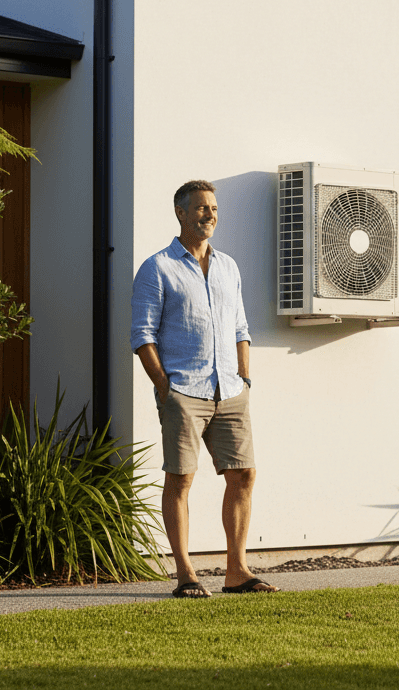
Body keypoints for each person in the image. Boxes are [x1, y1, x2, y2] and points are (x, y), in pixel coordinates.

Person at [130, 180, 278, 598]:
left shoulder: (229, 267)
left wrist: (244, 378)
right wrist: (165, 387)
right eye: (200, 208)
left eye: (214, 208)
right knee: (181, 479)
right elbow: (142, 335)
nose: (209, 214)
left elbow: (241, 329)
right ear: (180, 213)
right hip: (184, 391)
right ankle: (185, 574)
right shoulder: (157, 267)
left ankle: (237, 571)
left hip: (230, 390)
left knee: (244, 474)